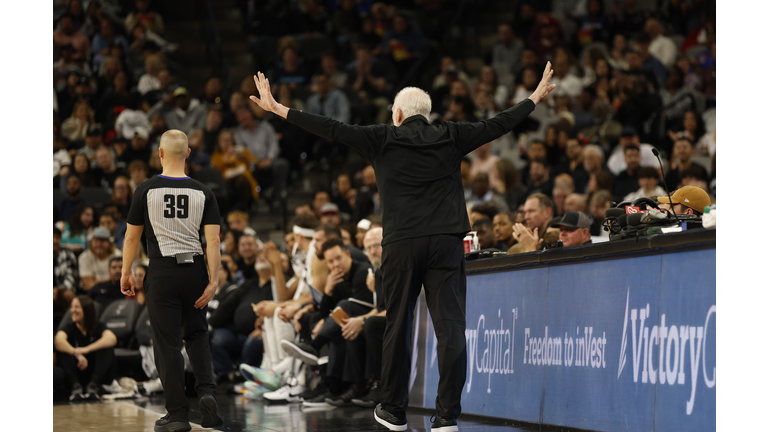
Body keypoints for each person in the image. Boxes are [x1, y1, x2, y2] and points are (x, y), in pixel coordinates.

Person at [248, 61, 555, 430]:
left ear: (397, 114)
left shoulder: (382, 137)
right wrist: (534, 97)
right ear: (426, 116)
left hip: (402, 244)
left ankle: (393, 409)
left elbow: (332, 128)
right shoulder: (451, 134)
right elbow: (498, 124)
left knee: (398, 324)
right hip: (446, 242)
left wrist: (280, 109)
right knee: (451, 328)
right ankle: (446, 418)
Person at [120, 129, 224, 431]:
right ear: (188, 154)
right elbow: (214, 241)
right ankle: (208, 393)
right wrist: (213, 280)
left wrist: (127, 272)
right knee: (197, 334)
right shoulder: (204, 192)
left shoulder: (145, 190)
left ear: (160, 153)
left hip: (162, 272)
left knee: (167, 345)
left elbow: (130, 237)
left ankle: (178, 415)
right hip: (194, 270)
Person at [54, 295, 117, 402]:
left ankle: (94, 385)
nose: (73, 310)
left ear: (87, 310)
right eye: (71, 307)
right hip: (77, 371)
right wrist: (75, 352)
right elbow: (58, 341)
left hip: (95, 372)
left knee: (106, 346)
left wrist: (86, 349)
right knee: (64, 349)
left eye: (77, 307)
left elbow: (112, 338)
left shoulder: (97, 326)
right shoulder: (69, 327)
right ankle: (75, 386)